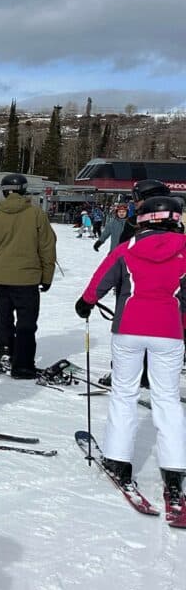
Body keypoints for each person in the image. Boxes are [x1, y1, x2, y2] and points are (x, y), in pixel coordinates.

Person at [76, 194, 185, 516]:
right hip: (169, 331)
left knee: (124, 393)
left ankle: (119, 460)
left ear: (142, 219)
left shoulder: (128, 248)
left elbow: (100, 282)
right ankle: (175, 474)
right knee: (167, 398)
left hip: (130, 329)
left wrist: (86, 302)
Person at [0, 173, 57, 379]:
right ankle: (22, 364)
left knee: (3, 317)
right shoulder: (36, 214)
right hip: (27, 278)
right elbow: (47, 247)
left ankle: (5, 352)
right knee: (26, 321)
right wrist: (47, 276)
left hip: (1, 276)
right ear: (23, 190)